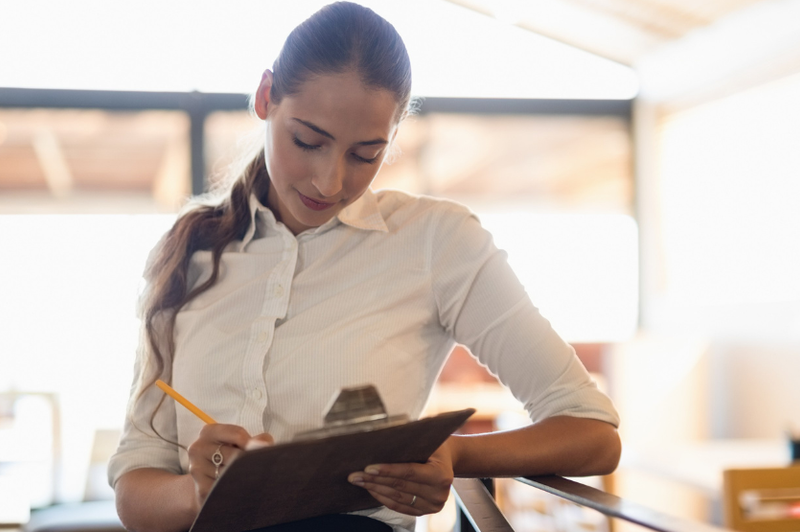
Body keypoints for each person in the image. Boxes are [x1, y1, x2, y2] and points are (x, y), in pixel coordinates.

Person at [108, 2, 621, 531]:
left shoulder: (436, 243)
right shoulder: (189, 250)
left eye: (365, 154)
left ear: (394, 137)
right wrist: (201, 495)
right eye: (308, 141)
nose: (330, 183)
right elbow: (135, 485)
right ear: (265, 97)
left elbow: (592, 433)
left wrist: (456, 454)